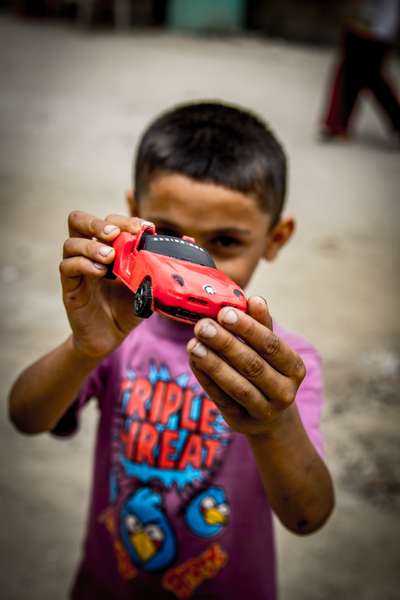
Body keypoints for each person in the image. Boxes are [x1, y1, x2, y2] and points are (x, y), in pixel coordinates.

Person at [8, 102, 334, 599]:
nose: (199, 264)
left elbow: (308, 514)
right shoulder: (119, 330)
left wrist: (273, 423)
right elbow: (25, 416)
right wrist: (84, 348)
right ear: (134, 214)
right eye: (163, 233)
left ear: (276, 238)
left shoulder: (284, 363)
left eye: (225, 242)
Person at [321, 0, 400, 142]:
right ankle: (338, 123)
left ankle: (338, 123)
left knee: (360, 76)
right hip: (371, 25)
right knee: (367, 77)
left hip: (370, 27)